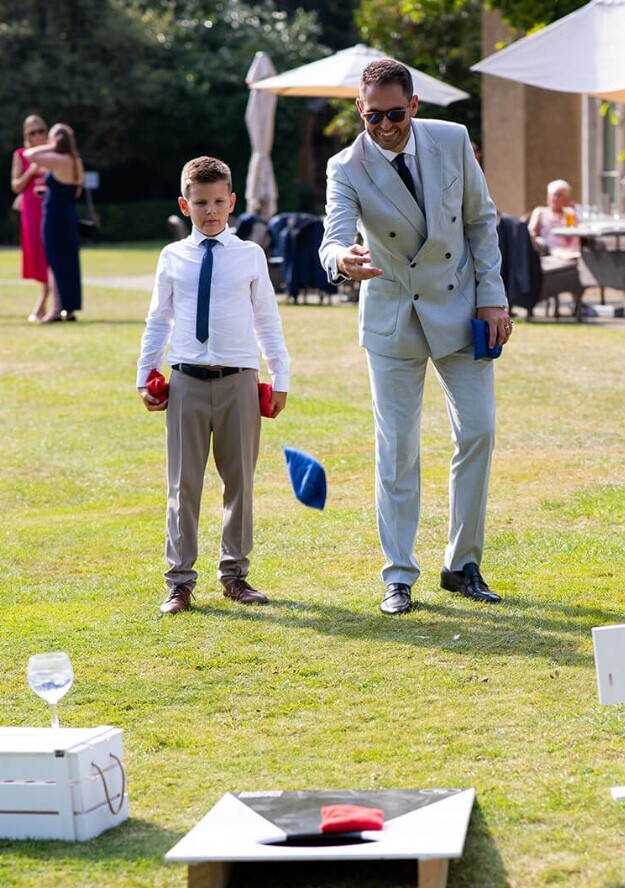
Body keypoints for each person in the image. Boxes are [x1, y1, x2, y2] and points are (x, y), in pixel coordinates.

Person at [319, 58, 511, 616]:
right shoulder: (345, 166)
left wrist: (493, 296)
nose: (383, 126)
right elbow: (332, 235)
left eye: (394, 114)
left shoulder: (453, 140)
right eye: (372, 116)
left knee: (479, 431)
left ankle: (463, 564)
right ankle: (399, 575)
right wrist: (342, 260)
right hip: (393, 314)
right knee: (397, 449)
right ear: (360, 109)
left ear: (414, 106)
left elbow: (481, 221)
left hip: (461, 307)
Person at [136, 156, 290, 615]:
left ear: (232, 202)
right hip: (185, 380)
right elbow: (158, 320)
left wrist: (279, 376)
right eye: (201, 203)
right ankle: (179, 582)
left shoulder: (249, 255)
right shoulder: (172, 257)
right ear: (185, 205)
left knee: (239, 481)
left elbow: (267, 319)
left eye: (219, 201)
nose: (211, 211)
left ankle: (235, 575)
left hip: (239, 380)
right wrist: (145, 374)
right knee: (183, 484)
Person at [24, 122, 84, 323]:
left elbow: (29, 155)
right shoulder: (76, 161)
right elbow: (75, 190)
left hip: (54, 217)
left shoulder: (58, 159)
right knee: (69, 263)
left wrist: (51, 146)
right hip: (69, 214)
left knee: (55, 263)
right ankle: (69, 308)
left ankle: (56, 310)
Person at [11, 115, 50, 322]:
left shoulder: (54, 151)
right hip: (31, 209)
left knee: (50, 253)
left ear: (46, 130)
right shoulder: (21, 155)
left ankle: (44, 302)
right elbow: (16, 186)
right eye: (31, 133)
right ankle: (45, 299)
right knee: (37, 252)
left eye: (40, 131)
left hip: (51, 207)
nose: (37, 136)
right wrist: (32, 171)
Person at [528, 179, 580, 260]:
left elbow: (572, 234)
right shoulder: (540, 212)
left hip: (570, 247)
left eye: (559, 195)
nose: (554, 198)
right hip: (551, 248)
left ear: (565, 199)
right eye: (552, 195)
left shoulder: (569, 213)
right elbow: (531, 231)